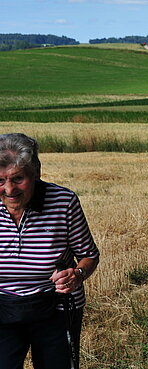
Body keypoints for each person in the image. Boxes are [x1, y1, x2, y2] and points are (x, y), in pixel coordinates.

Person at [0, 133, 100, 369]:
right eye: (0, 180)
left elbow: (89, 255)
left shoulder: (63, 201)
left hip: (57, 307)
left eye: (18, 178)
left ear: (37, 173)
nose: (9, 189)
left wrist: (77, 275)